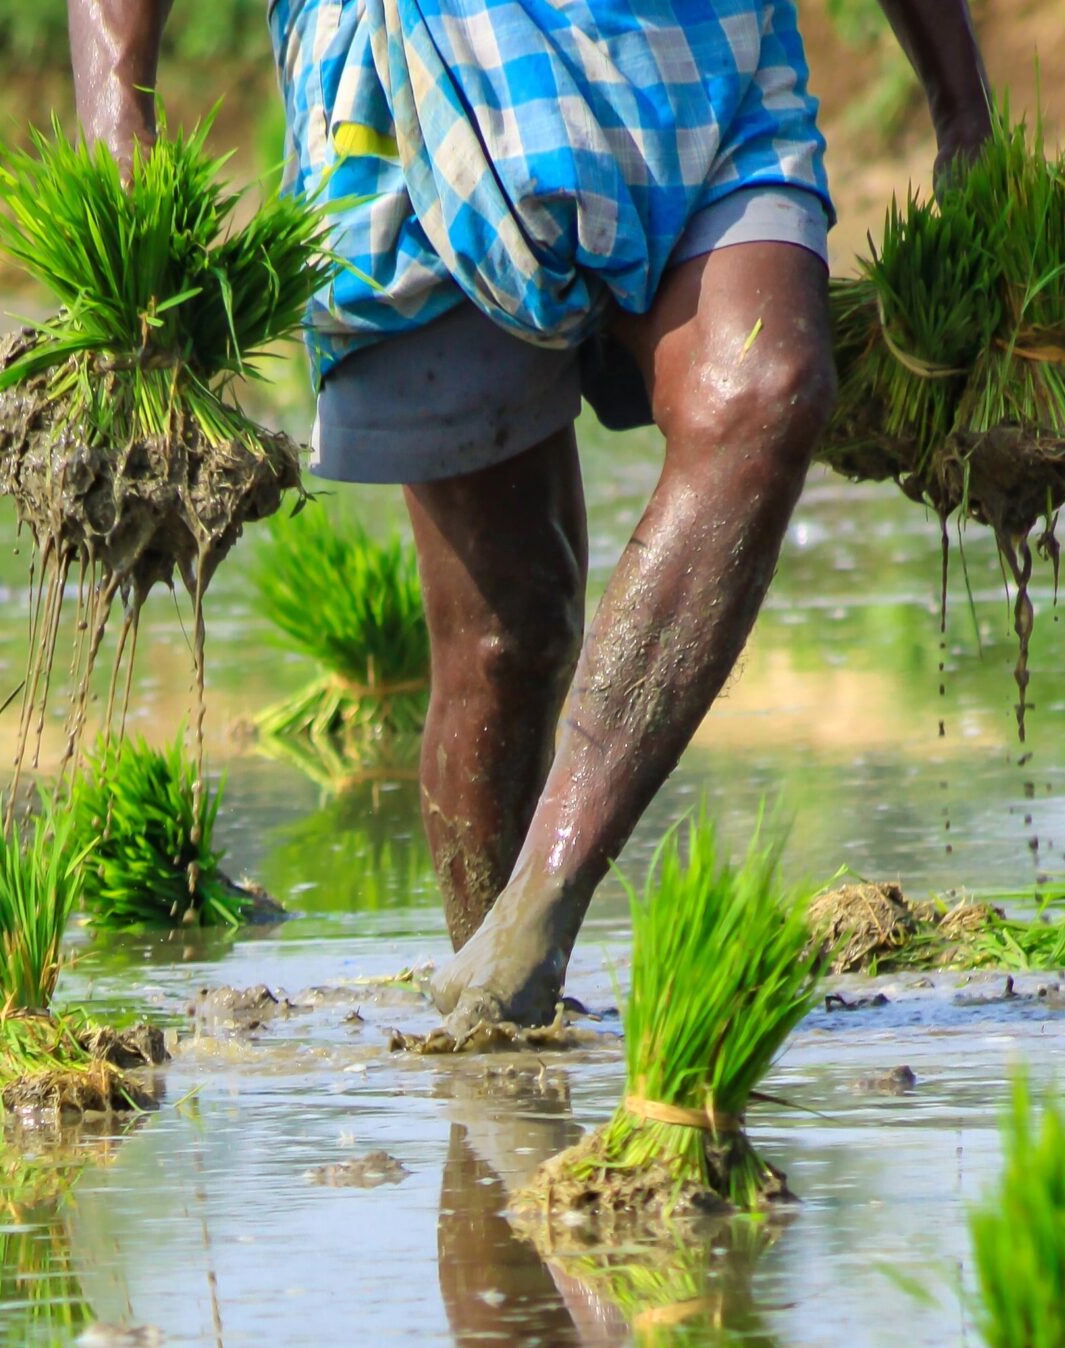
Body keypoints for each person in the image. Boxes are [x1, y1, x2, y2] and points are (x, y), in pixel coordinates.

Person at [70, 0, 992, 1026]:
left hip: (696, 55)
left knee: (764, 388)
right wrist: (117, 122)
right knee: (508, 630)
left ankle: (540, 906)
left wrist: (960, 110)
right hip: (423, 84)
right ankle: (498, 1012)